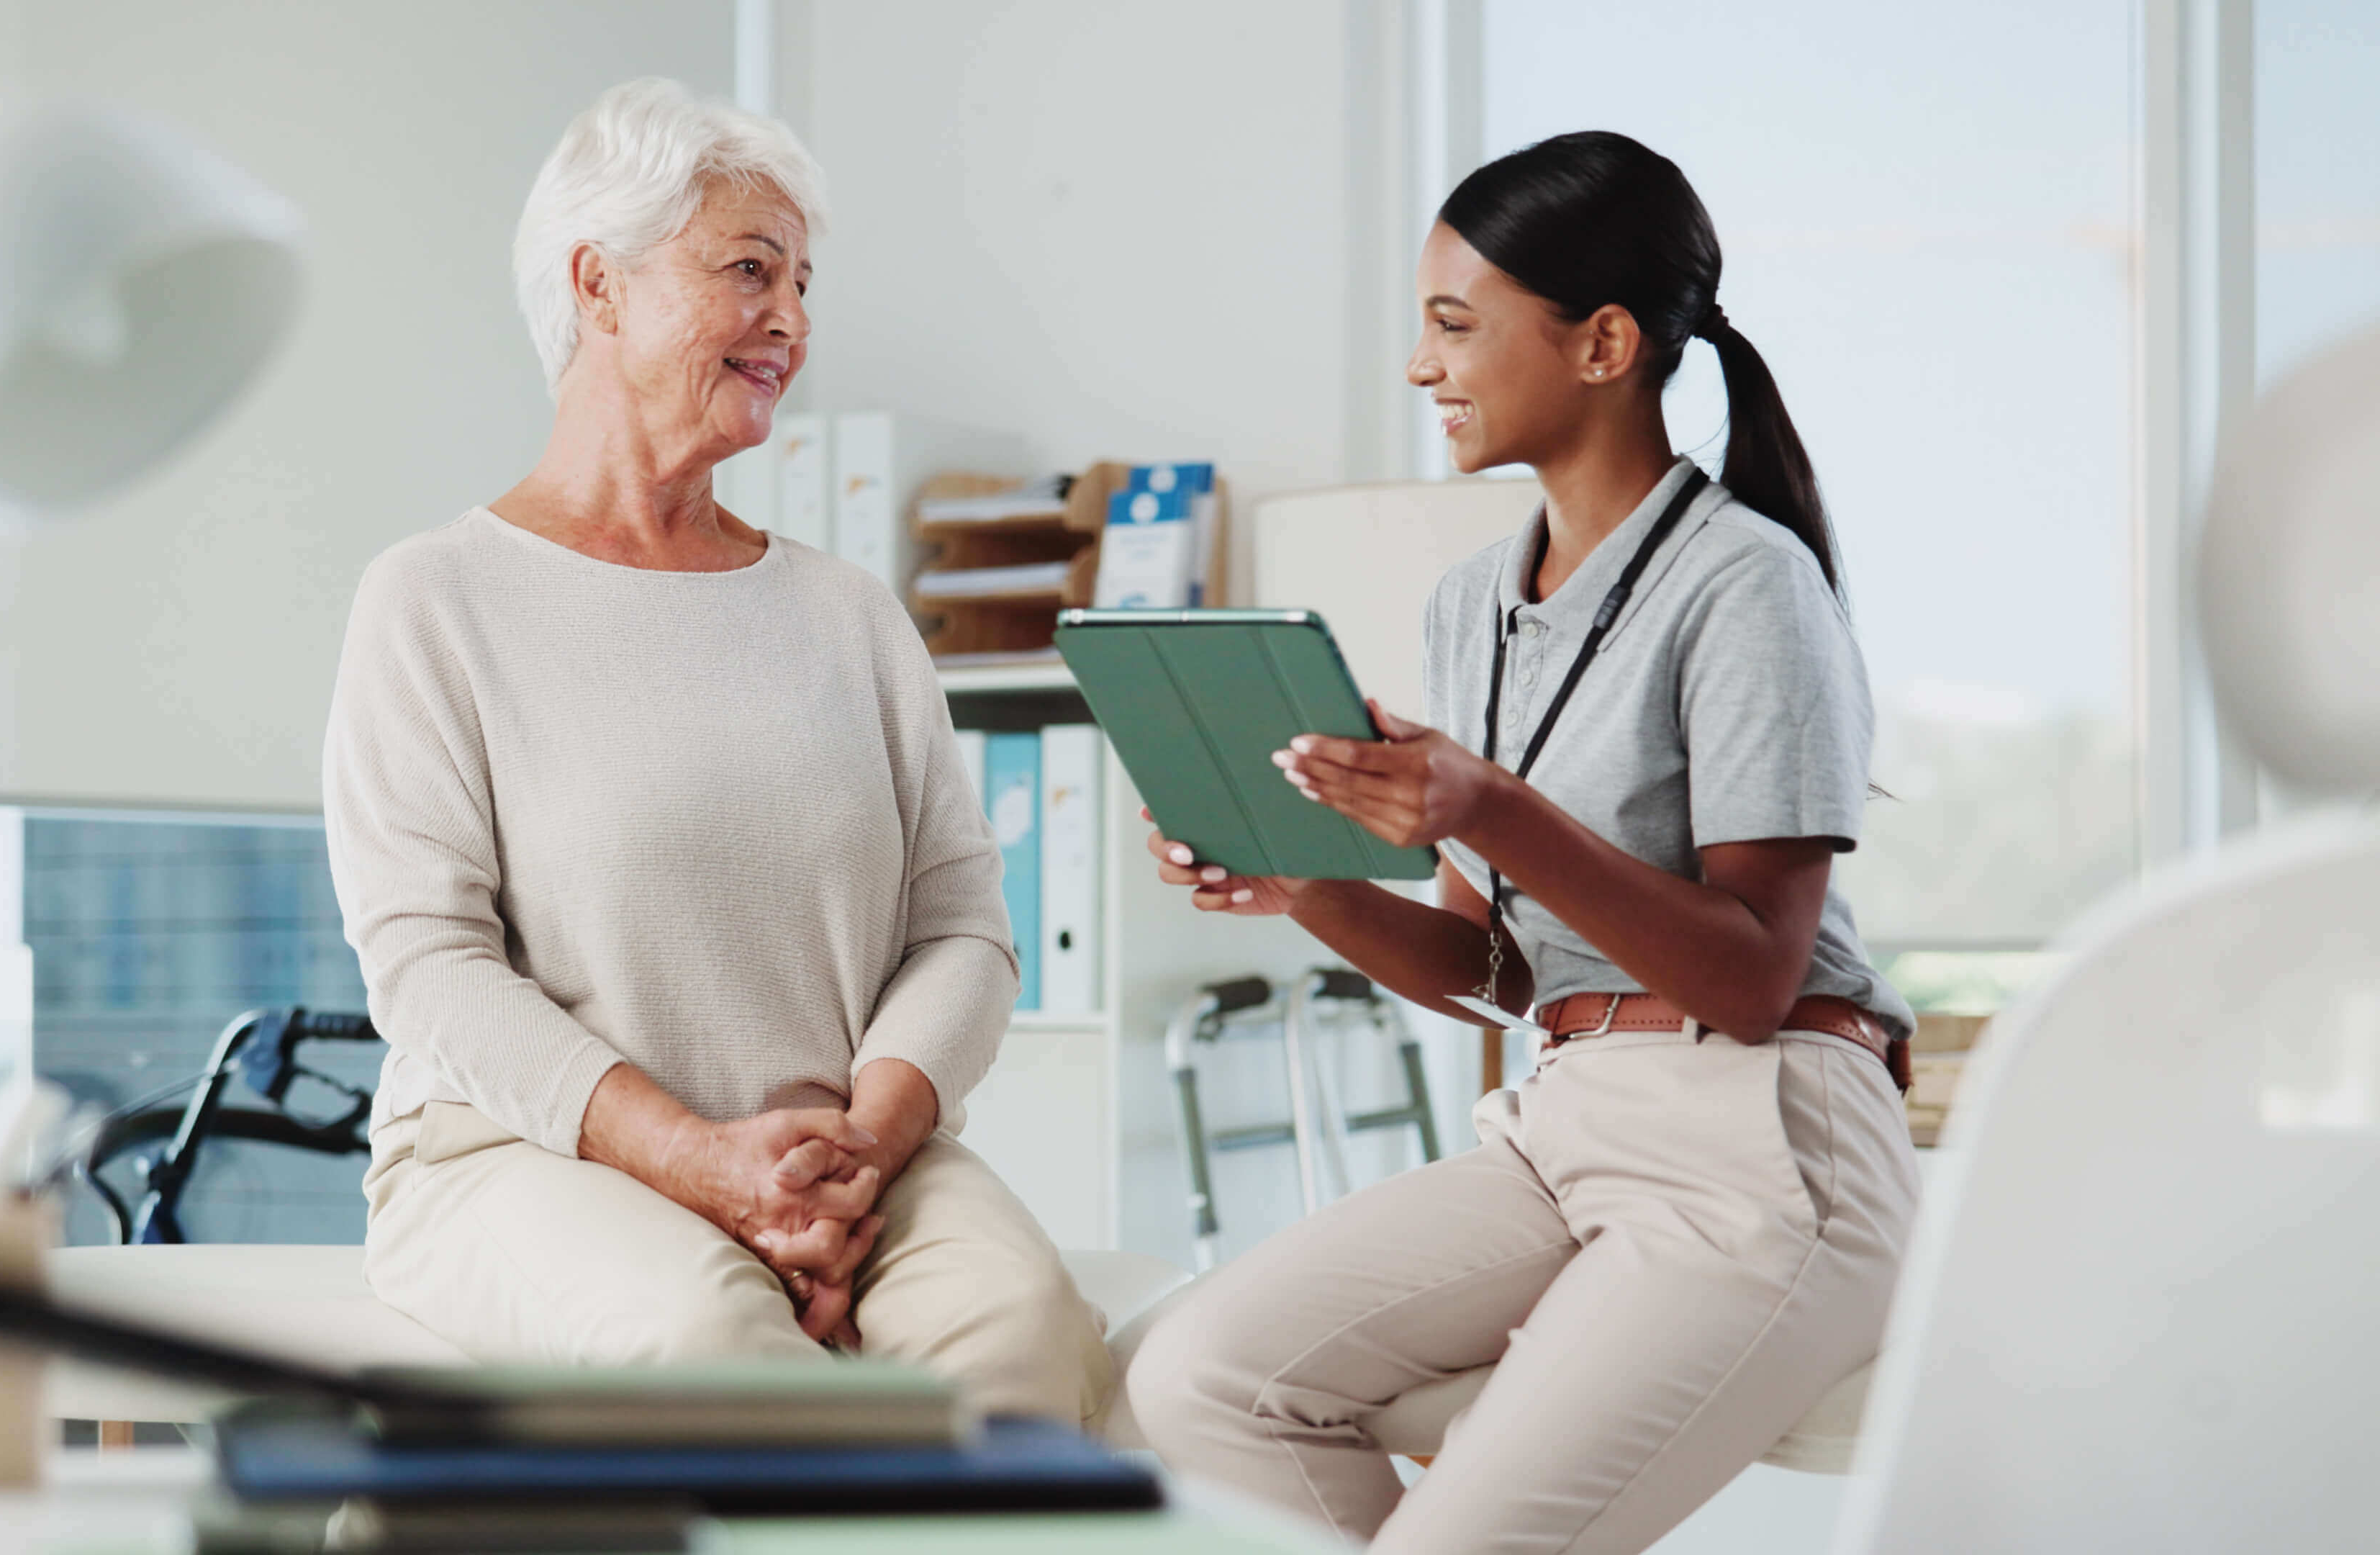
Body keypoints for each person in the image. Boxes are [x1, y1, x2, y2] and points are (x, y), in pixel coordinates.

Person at [1123, 130, 1919, 1552]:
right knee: (1197, 1377)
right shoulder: (1470, 606)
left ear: (1602, 344)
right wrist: (1306, 884)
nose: (1420, 367)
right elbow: (1498, 972)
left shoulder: (1747, 585)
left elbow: (1750, 980)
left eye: (1453, 325)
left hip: (1761, 1134)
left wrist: (1486, 806)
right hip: (1564, 1120)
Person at [320, 78, 1108, 1423]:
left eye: (802, 283)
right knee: (716, 1344)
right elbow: (428, 968)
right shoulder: (435, 599)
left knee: (1019, 1336)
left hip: (847, 1154)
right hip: (524, 1157)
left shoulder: (849, 613)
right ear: (600, 284)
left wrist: (861, 1152)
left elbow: (963, 931)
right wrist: (701, 1164)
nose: (791, 319)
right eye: (750, 270)